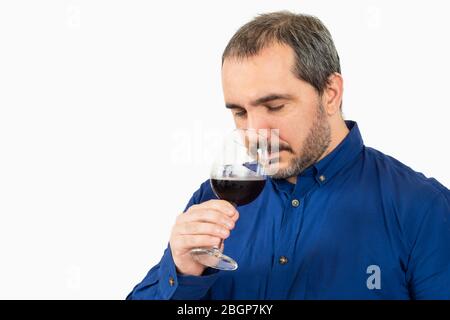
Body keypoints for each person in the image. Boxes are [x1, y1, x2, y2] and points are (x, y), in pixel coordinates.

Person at [127, 11, 450, 299]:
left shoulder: (423, 208)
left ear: (331, 93)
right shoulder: (210, 201)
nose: (255, 131)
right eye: (240, 112)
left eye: (275, 106)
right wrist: (182, 273)